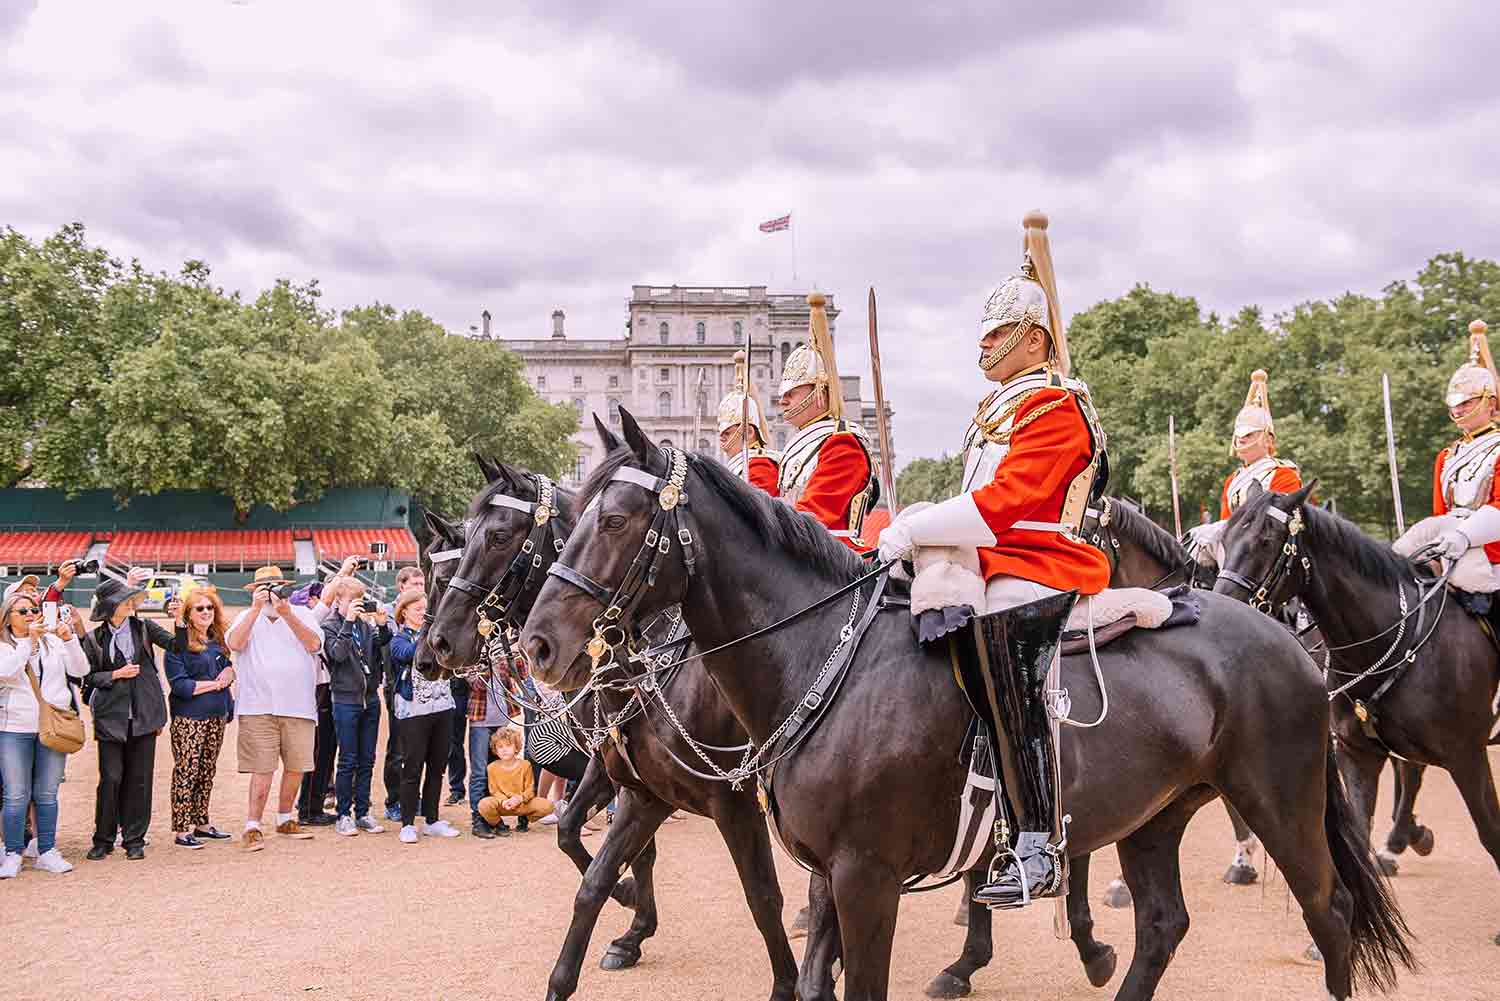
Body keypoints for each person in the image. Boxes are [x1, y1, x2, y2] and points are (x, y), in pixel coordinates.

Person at [879, 211, 1108, 909]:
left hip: (1041, 559)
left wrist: (917, 529)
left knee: (1003, 648)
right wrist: (916, 521)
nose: (984, 344)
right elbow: (974, 501)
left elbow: (1004, 504)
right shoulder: (999, 410)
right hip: (995, 553)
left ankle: (1037, 841)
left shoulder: (1055, 407)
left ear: (1034, 338)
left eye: (997, 332)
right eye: (982, 332)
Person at [225, 565, 327, 852]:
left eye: (276, 586)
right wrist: (256, 609)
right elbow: (235, 643)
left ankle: (285, 818)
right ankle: (252, 825)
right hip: (258, 706)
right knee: (262, 768)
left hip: (299, 705)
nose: (271, 593)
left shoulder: (303, 613)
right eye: (265, 588)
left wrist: (287, 613)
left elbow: (314, 644)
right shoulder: (247, 616)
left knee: (296, 766)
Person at [80, 573, 174, 861]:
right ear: (111, 607)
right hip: (111, 717)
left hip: (144, 714)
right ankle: (103, 838)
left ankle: (135, 839)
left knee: (140, 779)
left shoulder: (144, 627)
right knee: (110, 778)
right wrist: (115, 675)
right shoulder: (95, 638)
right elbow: (87, 677)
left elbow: (176, 645)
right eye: (124, 600)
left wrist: (180, 620)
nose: (130, 603)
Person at [777, 292, 881, 550]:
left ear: (819, 393)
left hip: (833, 564)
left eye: (791, 393)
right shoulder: (802, 444)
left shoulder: (842, 442)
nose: (783, 401)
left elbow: (815, 517)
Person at [0, 588, 89, 877]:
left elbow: (81, 669)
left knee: (47, 793)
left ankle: (47, 850)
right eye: (22, 611)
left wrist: (70, 640)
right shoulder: (4, 645)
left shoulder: (53, 641)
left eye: (34, 610)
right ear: (7, 618)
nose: (30, 615)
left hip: (52, 727)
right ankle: (13, 852)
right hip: (15, 727)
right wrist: (29, 641)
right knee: (15, 794)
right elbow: (8, 672)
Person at [163, 583, 235, 849]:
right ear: (188, 614)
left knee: (207, 770)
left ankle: (201, 822)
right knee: (187, 771)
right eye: (199, 608)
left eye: (209, 608)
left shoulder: (218, 641)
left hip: (216, 714)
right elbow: (181, 686)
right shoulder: (178, 645)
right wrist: (216, 684)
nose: (206, 612)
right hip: (190, 718)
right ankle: (182, 829)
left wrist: (229, 674)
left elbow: (226, 669)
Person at [389, 589, 462, 843]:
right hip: (413, 710)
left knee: (437, 766)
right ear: (405, 611)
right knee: (412, 767)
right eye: (418, 609)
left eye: (425, 609)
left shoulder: (437, 636)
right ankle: (407, 822)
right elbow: (407, 654)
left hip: (442, 706)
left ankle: (432, 819)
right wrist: (426, 632)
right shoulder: (400, 638)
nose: (423, 614)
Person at [322, 577, 390, 836]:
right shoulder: (329, 625)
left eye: (360, 601)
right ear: (338, 600)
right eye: (352, 601)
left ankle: (363, 812)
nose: (357, 606)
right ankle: (343, 813)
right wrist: (349, 621)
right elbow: (337, 655)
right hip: (345, 700)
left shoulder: (364, 625)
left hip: (370, 699)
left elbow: (379, 648)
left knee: (367, 759)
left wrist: (382, 627)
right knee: (348, 760)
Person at [1434, 319, 1500, 565]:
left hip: (1494, 554)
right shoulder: (1447, 456)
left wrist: (1464, 535)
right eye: (1455, 404)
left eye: (1466, 403)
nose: (1459, 410)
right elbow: (1441, 514)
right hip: (1453, 547)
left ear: (1490, 402)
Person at [1217, 369, 1303, 518]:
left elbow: (1278, 523)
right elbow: (1225, 523)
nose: (1241, 439)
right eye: (1238, 435)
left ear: (1268, 439)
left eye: (1249, 434)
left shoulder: (1284, 475)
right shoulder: (1232, 480)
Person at [381, 564, 425, 821]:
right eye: (414, 585)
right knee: (398, 747)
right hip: (398, 684)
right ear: (401, 587)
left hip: (425, 688)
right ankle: (394, 800)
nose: (419, 589)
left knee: (417, 747)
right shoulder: (388, 614)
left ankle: (413, 798)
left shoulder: (427, 613)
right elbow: (389, 649)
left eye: (421, 585)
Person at [718, 348, 780, 494]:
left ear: (749, 432)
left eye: (728, 432)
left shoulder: (760, 466)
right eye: (721, 432)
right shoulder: (739, 465)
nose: (722, 437)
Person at [477, 728, 553, 831]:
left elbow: (530, 790)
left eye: (508, 746)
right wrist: (504, 801)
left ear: (516, 748)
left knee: (547, 806)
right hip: (502, 805)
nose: (504, 749)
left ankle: (525, 818)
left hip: (522, 803)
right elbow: (494, 791)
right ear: (495, 750)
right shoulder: (491, 767)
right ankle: (499, 824)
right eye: (500, 746)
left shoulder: (525, 765)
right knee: (483, 805)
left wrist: (519, 799)